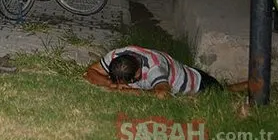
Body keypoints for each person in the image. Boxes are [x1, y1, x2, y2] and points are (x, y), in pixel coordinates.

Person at [85, 45, 247, 97]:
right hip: (188, 73)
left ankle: (255, 84)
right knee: (227, 90)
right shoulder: (116, 56)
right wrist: (109, 83)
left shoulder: (155, 68)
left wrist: (134, 92)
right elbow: (90, 73)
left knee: (225, 93)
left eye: (130, 81)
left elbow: (162, 95)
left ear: (138, 72)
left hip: (197, 85)